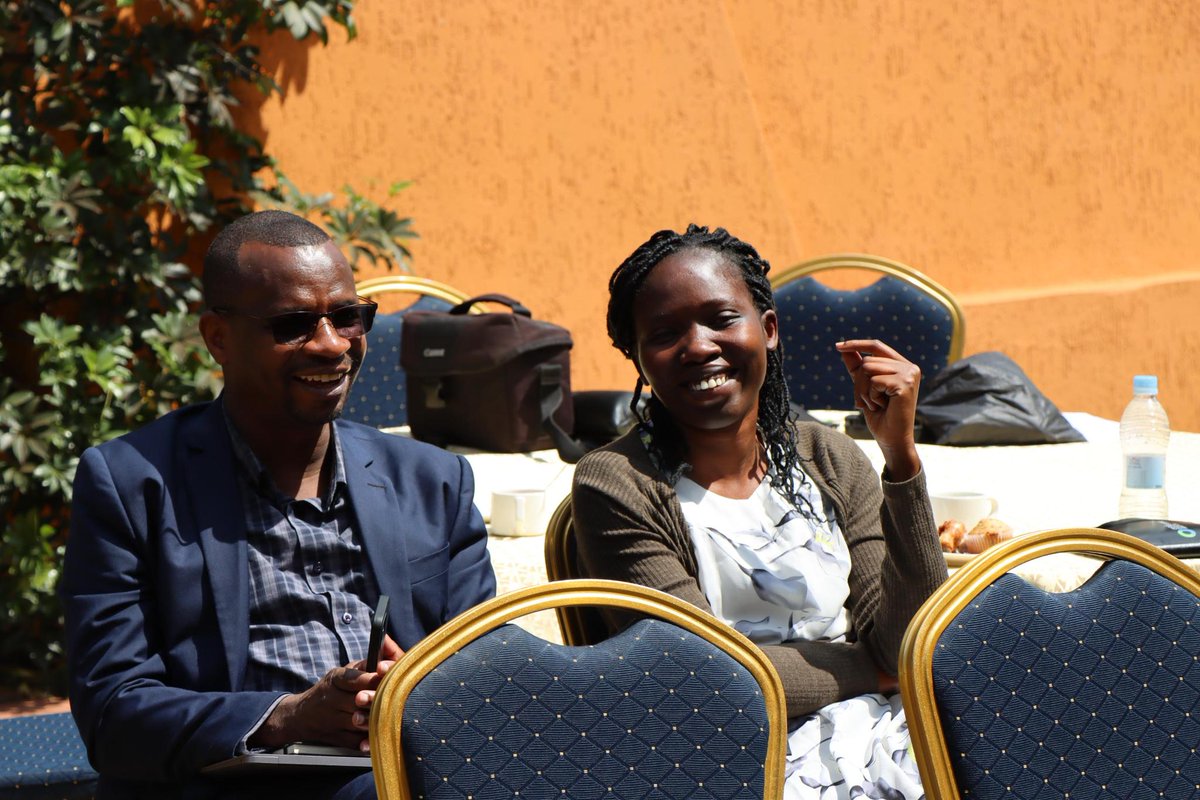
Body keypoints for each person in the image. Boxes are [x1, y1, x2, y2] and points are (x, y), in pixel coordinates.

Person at [62, 210, 496, 800]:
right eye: (293, 324)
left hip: (405, 771)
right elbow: (113, 712)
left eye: (347, 317)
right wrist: (286, 717)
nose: (330, 345)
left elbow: (489, 683)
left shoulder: (433, 481)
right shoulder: (132, 484)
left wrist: (416, 687)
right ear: (217, 337)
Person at [571, 225, 948, 799]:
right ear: (641, 360)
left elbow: (909, 644)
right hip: (732, 753)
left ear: (767, 329)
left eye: (722, 319)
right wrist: (869, 670)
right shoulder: (618, 483)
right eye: (666, 334)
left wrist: (899, 458)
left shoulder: (830, 458)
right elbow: (703, 674)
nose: (698, 346)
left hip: (884, 739)